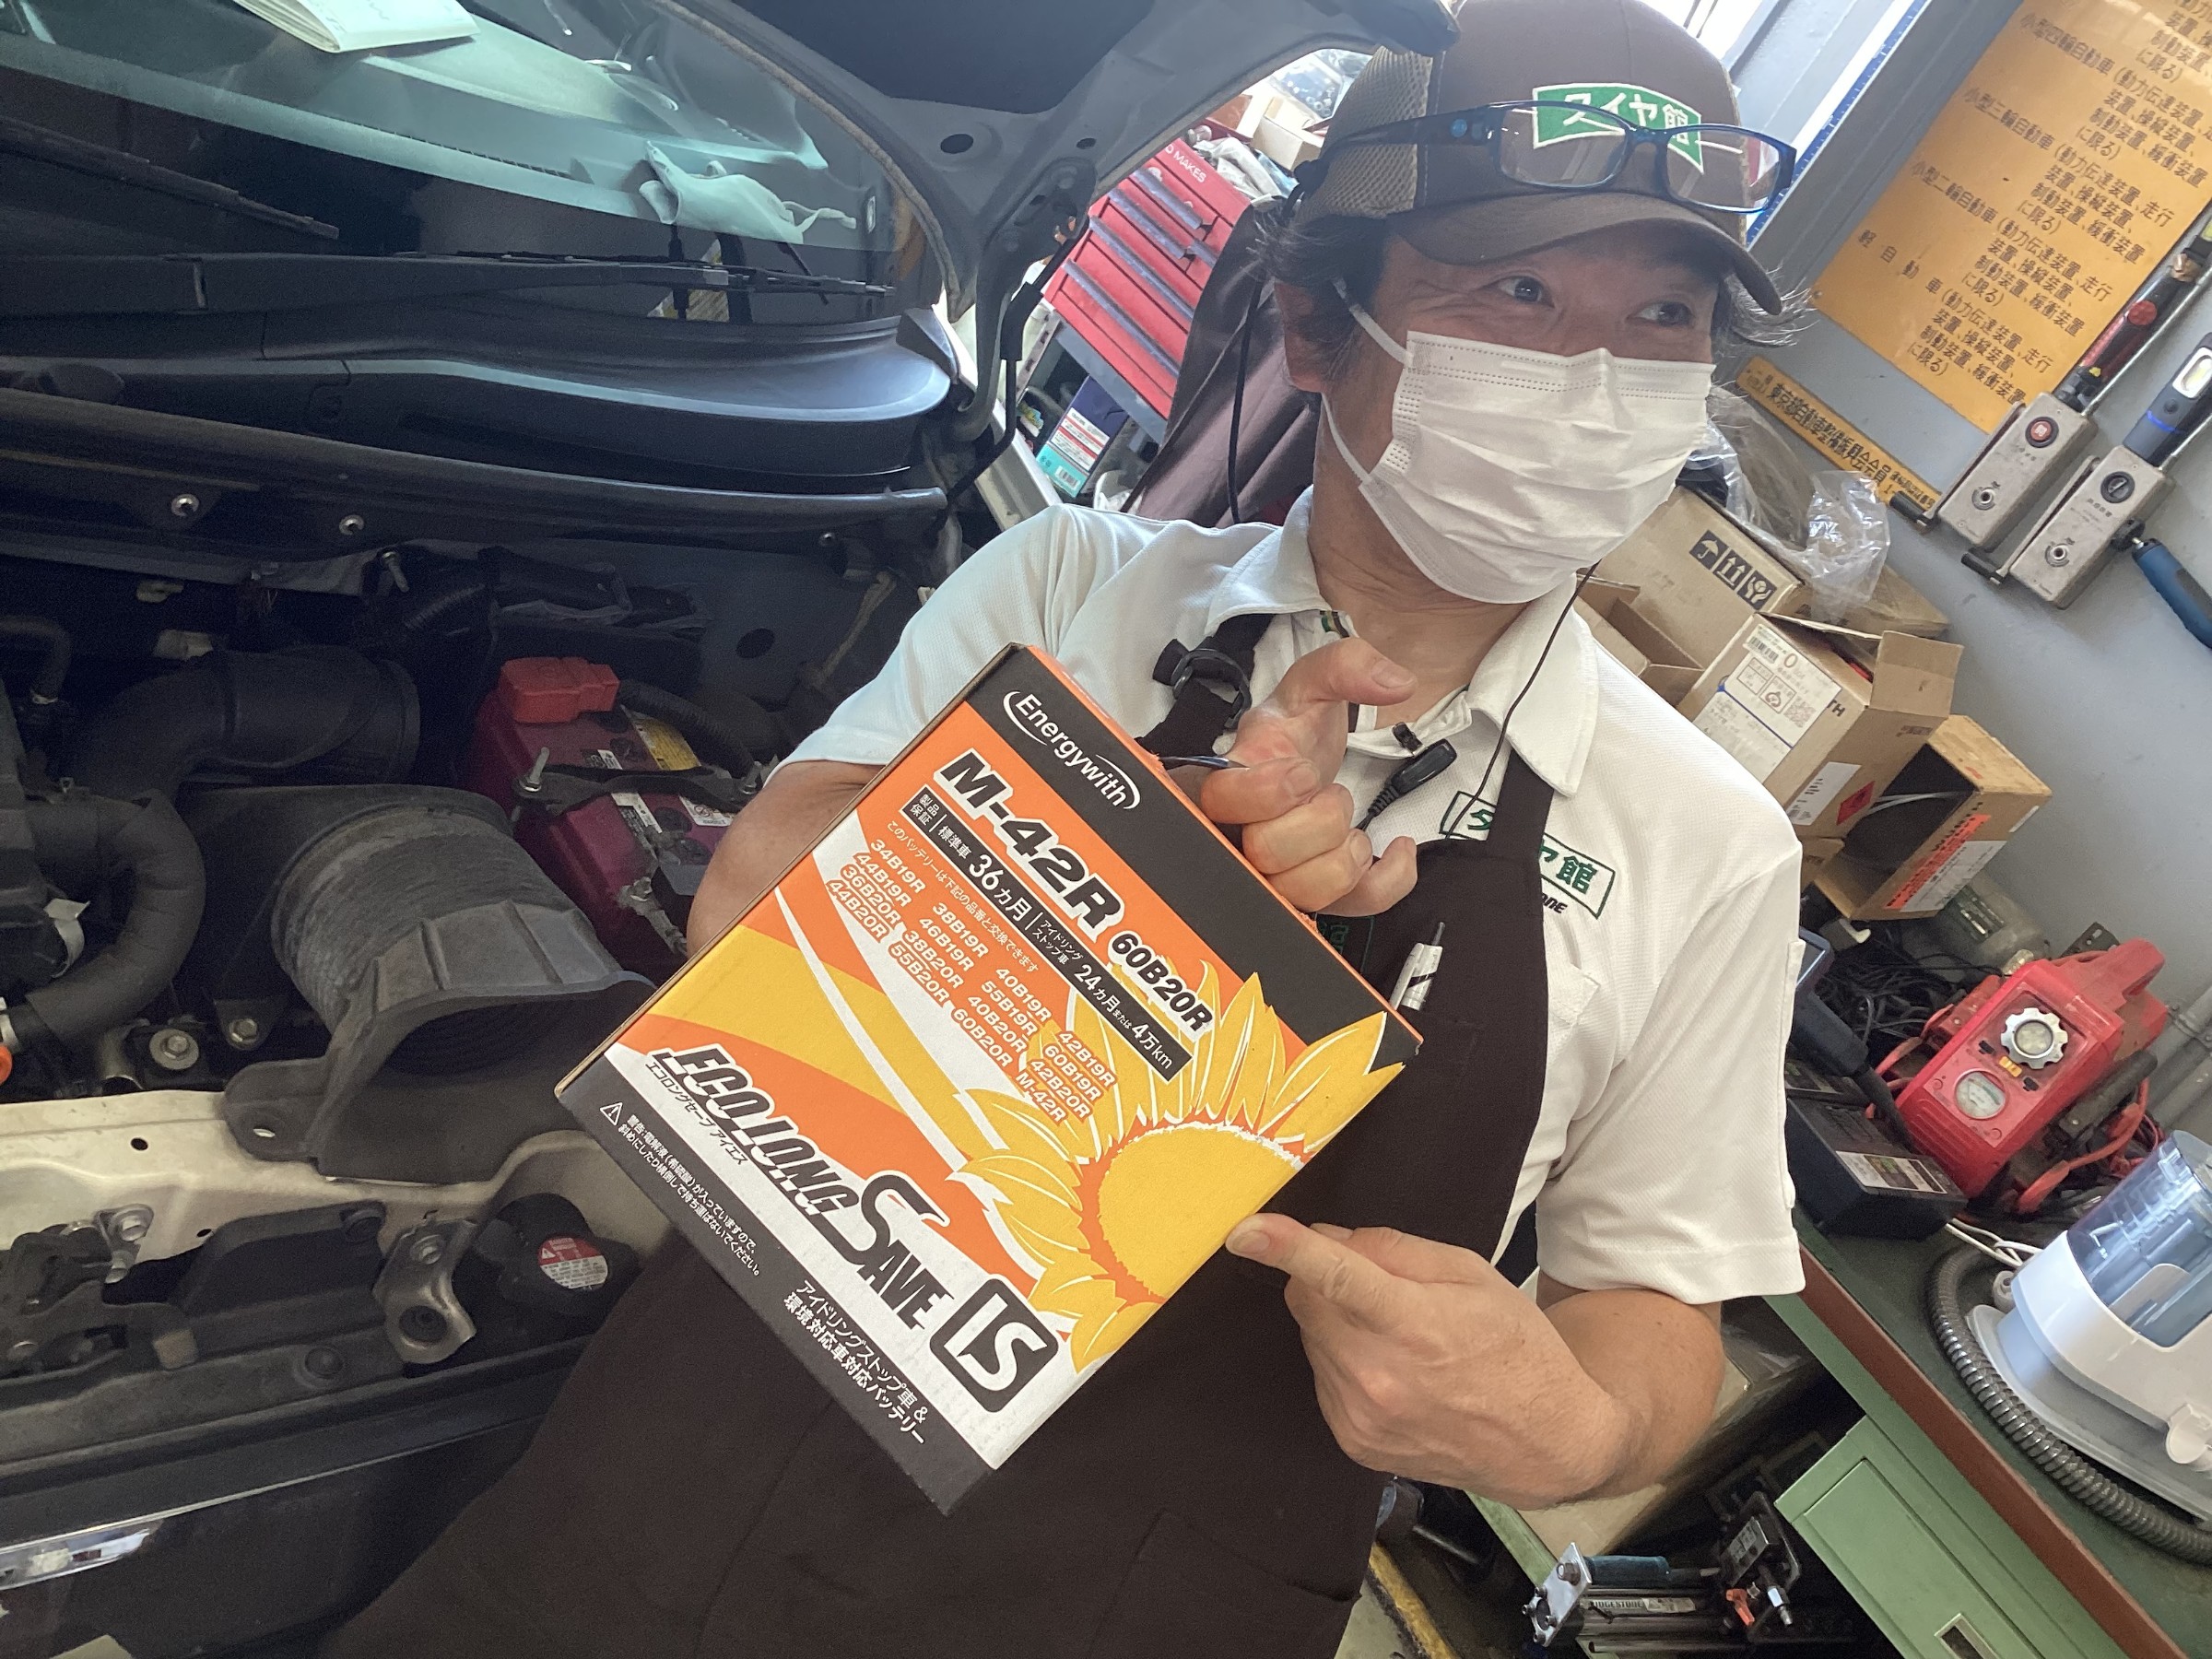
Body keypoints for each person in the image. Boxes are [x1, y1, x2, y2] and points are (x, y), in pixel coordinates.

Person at [326, 4, 1809, 1654]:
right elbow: (741, 908)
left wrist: (1580, 1429)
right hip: (674, 1477)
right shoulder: (1069, 587)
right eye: (1516, 294)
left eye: (1660, 317)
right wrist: (1115, 854)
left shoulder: (1711, 848)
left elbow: (1659, 1301)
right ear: (1315, 327)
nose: (1589, 377)